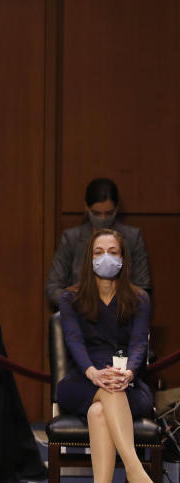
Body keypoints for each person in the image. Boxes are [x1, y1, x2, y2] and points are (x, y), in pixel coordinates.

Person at [56, 228, 153, 483]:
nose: (105, 257)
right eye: (98, 252)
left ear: (123, 258)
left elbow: (139, 344)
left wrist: (128, 372)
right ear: (89, 259)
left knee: (98, 412)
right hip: (83, 380)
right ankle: (135, 470)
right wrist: (93, 373)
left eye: (112, 252)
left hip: (127, 382)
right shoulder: (70, 298)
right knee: (108, 391)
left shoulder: (139, 298)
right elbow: (74, 341)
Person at [46, 178, 151, 311]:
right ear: (86, 207)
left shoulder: (132, 238)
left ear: (116, 208)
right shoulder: (71, 238)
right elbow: (53, 288)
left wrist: (113, 307)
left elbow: (143, 288)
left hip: (121, 315)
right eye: (96, 213)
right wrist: (81, 305)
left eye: (108, 213)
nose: (102, 219)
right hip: (80, 314)